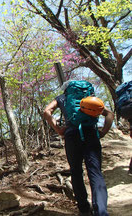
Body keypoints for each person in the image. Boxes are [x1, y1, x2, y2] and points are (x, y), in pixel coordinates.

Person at [44, 81, 114, 216]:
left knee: (76, 172)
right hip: (91, 134)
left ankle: (83, 208)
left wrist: (58, 129)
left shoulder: (61, 98)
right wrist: (103, 132)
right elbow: (109, 114)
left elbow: (47, 111)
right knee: (95, 172)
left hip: (72, 136)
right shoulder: (88, 98)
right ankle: (101, 211)